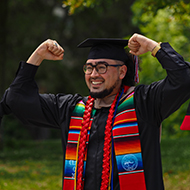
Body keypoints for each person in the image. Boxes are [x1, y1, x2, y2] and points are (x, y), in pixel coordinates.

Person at [0, 33, 190, 190]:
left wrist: (152, 46)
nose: (94, 74)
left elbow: (184, 80)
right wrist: (38, 55)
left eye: (102, 67)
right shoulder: (71, 108)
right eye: (89, 68)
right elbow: (16, 99)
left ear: (122, 72)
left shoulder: (144, 103)